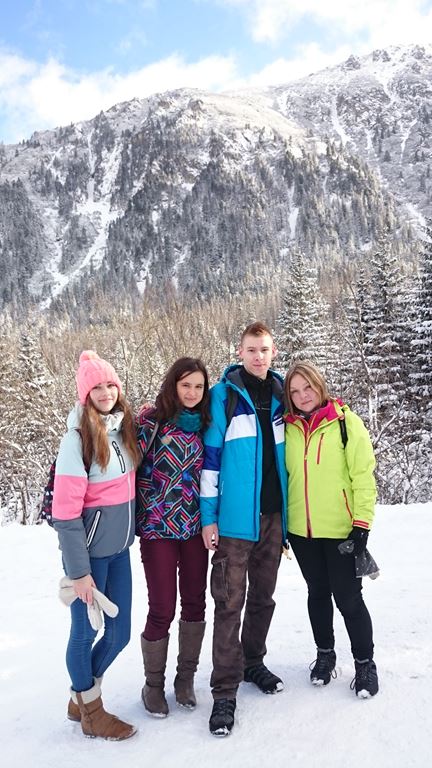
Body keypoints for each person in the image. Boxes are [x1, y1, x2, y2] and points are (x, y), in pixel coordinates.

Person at [200, 322, 287, 737]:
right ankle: (224, 690)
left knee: (263, 598)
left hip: (274, 518)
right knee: (229, 603)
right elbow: (210, 461)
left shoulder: (283, 395)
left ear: (273, 352)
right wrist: (208, 517)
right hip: (234, 523)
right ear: (239, 351)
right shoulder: (224, 396)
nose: (258, 356)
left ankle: (253, 662)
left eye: (264, 349)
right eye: (251, 349)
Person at [52, 350, 141, 740]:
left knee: (120, 634)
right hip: (89, 558)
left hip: (119, 551)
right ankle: (92, 712)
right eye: (96, 387)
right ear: (85, 394)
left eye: (110, 384)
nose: (105, 392)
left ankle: (81, 696)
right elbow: (66, 513)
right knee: (85, 634)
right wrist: (79, 572)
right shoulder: (77, 441)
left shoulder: (122, 431)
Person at [283, 360, 379, 698]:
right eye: (295, 391)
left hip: (341, 530)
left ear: (319, 385)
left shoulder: (345, 423)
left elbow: (363, 476)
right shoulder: (287, 428)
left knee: (349, 598)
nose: (302, 395)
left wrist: (362, 524)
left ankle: (365, 664)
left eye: (307, 387)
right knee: (317, 594)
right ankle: (325, 655)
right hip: (301, 531)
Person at [136, 357, 211, 718]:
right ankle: (153, 685)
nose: (192, 393)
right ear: (173, 385)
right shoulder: (150, 423)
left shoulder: (207, 426)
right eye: (185, 385)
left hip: (195, 529)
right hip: (157, 530)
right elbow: (118, 462)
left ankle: (185, 678)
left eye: (198, 386)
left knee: (195, 603)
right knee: (162, 607)